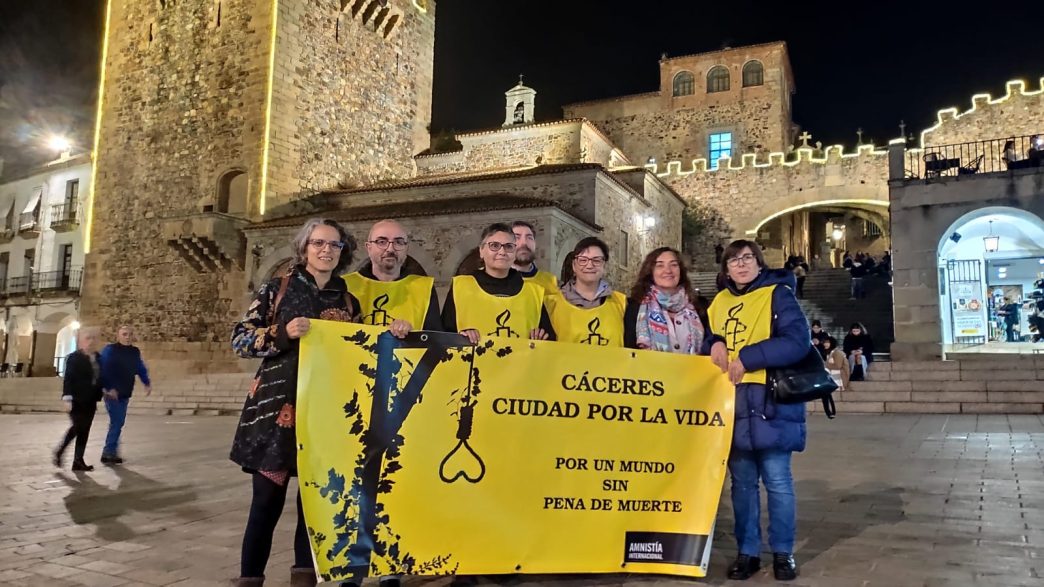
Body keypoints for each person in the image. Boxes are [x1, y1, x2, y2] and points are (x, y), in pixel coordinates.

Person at [230, 218, 361, 587]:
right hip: (275, 417)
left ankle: (304, 580)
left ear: (343, 251)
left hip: (325, 414)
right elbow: (240, 339)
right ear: (304, 248)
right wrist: (281, 333)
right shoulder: (279, 289)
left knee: (313, 505)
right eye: (318, 243)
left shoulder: (349, 300)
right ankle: (250, 578)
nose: (326, 251)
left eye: (334, 245)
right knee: (266, 504)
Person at [705, 239, 808, 582]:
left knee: (778, 482)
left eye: (748, 258)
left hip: (770, 404)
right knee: (743, 485)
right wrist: (714, 342)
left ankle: (783, 553)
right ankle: (747, 552)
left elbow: (797, 341)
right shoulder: (718, 302)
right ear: (726, 269)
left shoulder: (778, 294)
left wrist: (749, 357)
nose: (741, 265)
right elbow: (710, 335)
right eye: (734, 260)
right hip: (732, 405)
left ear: (760, 264)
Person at [442, 222, 554, 342]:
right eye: (494, 245)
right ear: (481, 251)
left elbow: (549, 342)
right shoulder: (461, 287)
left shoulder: (534, 293)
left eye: (509, 246)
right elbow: (442, 336)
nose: (502, 252)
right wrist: (461, 337)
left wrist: (541, 339)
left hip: (520, 360)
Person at [345, 219, 442, 335]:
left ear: (406, 249)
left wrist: (412, 335)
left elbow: (435, 339)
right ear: (368, 247)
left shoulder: (424, 287)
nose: (390, 249)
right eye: (382, 242)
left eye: (399, 242)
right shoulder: (345, 285)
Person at [624, 247, 708, 354]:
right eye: (660, 265)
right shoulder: (635, 307)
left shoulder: (700, 306)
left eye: (673, 265)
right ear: (650, 271)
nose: (668, 270)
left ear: (681, 270)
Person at [545, 237, 626, 346]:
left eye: (596, 260)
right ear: (574, 265)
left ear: (604, 265)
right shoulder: (552, 303)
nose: (589, 265)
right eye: (583, 260)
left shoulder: (621, 303)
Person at [98, 325, 152, 465]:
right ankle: (108, 452)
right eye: (124, 334)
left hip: (125, 392)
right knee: (117, 422)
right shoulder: (110, 350)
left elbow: (140, 368)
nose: (127, 337)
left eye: (129, 334)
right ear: (118, 335)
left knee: (118, 422)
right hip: (112, 393)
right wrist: (108, 388)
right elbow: (103, 369)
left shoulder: (134, 352)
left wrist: (146, 382)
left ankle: (111, 451)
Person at [54, 327, 105, 472]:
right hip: (76, 400)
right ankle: (60, 451)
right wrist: (67, 398)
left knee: (84, 431)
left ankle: (78, 461)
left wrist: (105, 389)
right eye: (87, 338)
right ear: (80, 341)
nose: (91, 341)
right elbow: (68, 379)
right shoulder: (74, 358)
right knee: (78, 427)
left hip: (91, 399)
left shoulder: (98, 358)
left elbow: (100, 378)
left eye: (94, 338)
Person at [511, 220, 558, 293]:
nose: (524, 243)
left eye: (529, 238)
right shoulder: (494, 278)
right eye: (517, 237)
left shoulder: (550, 282)